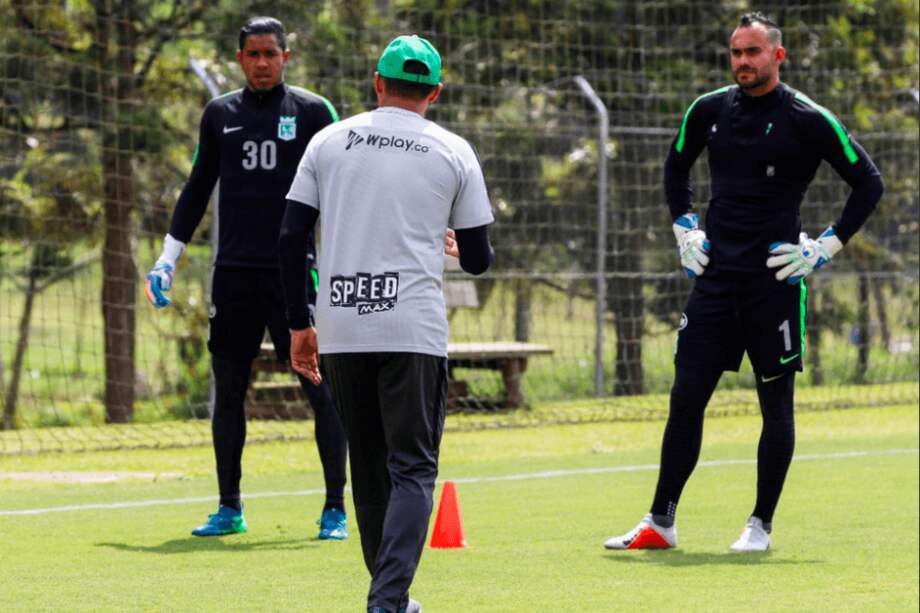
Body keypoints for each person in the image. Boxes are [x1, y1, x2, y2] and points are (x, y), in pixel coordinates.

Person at [605, 12, 883, 553]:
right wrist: (684, 228)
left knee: (774, 405)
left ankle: (760, 525)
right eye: (736, 52)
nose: (742, 63)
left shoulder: (808, 117)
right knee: (685, 398)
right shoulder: (707, 110)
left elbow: (868, 182)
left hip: (774, 284)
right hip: (713, 281)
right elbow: (676, 167)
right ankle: (660, 522)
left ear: (777, 56)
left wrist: (824, 247)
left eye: (753, 52)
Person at [278, 35, 494, 613]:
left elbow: (289, 237)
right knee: (414, 466)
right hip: (412, 330)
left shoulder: (329, 139)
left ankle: (387, 595)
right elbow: (478, 258)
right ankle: (388, 598)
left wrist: (301, 323)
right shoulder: (454, 149)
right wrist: (450, 244)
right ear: (436, 92)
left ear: (377, 83)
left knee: (368, 465)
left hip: (342, 326)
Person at [144, 17, 349, 540]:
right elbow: (196, 190)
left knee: (319, 390)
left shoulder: (312, 111)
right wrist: (168, 257)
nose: (262, 63)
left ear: (286, 56)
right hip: (233, 274)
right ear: (240, 59)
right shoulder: (219, 115)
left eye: (270, 54)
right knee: (229, 392)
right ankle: (229, 507)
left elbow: (347, 183)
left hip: (294, 276)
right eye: (253, 55)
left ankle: (334, 509)